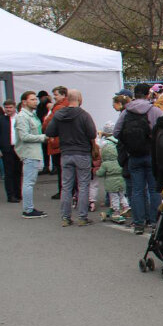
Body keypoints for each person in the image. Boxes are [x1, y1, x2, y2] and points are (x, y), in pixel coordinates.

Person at [114, 83, 163, 235]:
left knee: (136, 190)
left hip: (133, 155)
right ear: (148, 94)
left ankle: (138, 223)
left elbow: (116, 132)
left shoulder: (126, 111)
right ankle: (155, 222)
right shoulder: (154, 110)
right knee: (154, 189)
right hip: (151, 154)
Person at [44, 89, 98, 227]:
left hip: (66, 153)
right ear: (80, 99)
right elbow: (92, 133)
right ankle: (82, 217)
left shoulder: (59, 114)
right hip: (82, 153)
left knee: (66, 186)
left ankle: (65, 217)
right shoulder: (84, 115)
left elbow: (49, 131)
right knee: (83, 185)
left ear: (67, 99)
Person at [15, 91, 48, 218]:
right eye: (32, 99)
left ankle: (29, 208)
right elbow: (24, 136)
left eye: (35, 99)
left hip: (33, 151)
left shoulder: (31, 115)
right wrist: (43, 137)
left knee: (29, 182)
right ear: (24, 102)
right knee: (28, 182)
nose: (36, 102)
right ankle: (28, 210)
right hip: (29, 152)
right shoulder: (23, 116)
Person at [97, 122, 129, 223]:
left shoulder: (105, 162)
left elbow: (100, 173)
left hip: (110, 183)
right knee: (121, 194)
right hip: (121, 180)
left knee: (114, 196)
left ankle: (116, 211)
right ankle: (126, 207)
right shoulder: (118, 160)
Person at [0, 100, 21, 203]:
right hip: (6, 149)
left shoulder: (19, 118)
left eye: (10, 107)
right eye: (6, 107)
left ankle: (18, 193)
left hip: (19, 148)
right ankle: (11, 195)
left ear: (14, 107)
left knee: (18, 171)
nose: (8, 109)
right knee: (9, 172)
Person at [43, 86, 69, 199]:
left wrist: (46, 120)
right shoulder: (66, 106)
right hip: (63, 141)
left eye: (56, 95)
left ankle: (63, 191)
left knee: (61, 168)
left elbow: (48, 124)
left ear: (63, 95)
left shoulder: (59, 108)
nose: (54, 97)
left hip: (58, 142)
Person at [36, 91, 52, 173]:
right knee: (45, 149)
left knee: (51, 148)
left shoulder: (49, 105)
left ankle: (52, 166)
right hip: (42, 129)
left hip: (49, 129)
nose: (40, 99)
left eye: (41, 97)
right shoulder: (39, 106)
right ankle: (46, 166)